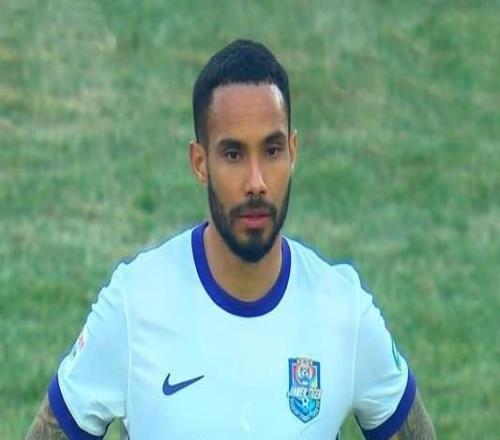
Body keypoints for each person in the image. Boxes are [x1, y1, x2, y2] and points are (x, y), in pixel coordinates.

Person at [27, 39, 436, 439]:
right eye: (234, 154)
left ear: (293, 152)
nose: (256, 182)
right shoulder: (136, 304)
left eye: (272, 150)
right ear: (200, 162)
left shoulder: (343, 311)